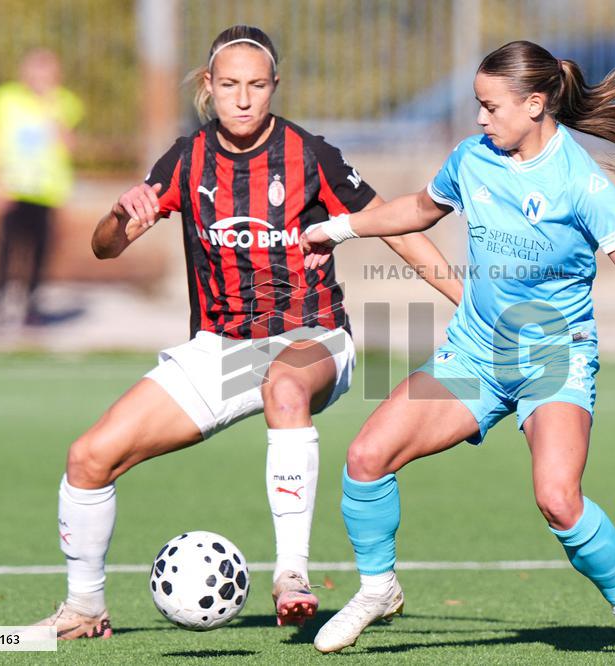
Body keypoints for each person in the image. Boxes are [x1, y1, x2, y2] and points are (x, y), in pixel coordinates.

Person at [34, 25, 461, 639]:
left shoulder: (310, 154)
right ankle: (84, 609)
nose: (242, 98)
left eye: (256, 86)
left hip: (310, 337)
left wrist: (466, 302)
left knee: (285, 388)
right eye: (229, 85)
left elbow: (394, 224)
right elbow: (105, 248)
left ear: (273, 88)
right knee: (88, 457)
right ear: (208, 87)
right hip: (222, 351)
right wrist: (117, 214)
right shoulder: (186, 159)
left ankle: (292, 574)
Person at [302, 40, 615, 658]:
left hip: (553, 359)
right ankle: (378, 589)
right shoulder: (472, 158)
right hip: (474, 355)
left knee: (558, 498)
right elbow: (417, 209)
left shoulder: (580, 183)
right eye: (478, 106)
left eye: (491, 107)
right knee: (366, 456)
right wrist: (337, 228)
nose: (482, 119)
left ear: (536, 104)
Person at [0, 49, 83, 328]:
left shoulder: (63, 102)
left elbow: (69, 145)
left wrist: (53, 114)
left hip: (46, 190)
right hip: (13, 188)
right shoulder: (5, 99)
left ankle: (32, 306)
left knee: (41, 251)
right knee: (6, 250)